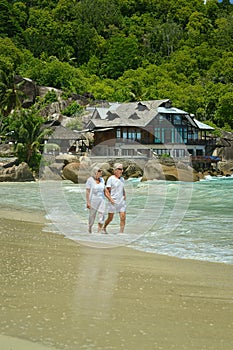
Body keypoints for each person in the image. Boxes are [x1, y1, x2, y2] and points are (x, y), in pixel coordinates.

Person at [102, 163, 126, 234]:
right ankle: (104, 228)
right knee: (110, 218)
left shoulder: (122, 179)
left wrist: (124, 194)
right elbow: (106, 191)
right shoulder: (111, 179)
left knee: (123, 217)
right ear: (115, 170)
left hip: (121, 201)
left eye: (122, 169)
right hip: (113, 201)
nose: (121, 171)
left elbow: (122, 188)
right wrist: (110, 199)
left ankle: (121, 233)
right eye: (119, 169)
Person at [86, 166, 105, 233]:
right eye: (99, 171)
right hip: (93, 200)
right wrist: (88, 202)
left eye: (101, 171)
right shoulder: (90, 180)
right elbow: (88, 191)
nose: (101, 172)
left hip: (102, 200)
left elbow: (104, 190)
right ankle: (90, 228)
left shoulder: (102, 180)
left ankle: (99, 231)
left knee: (102, 214)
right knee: (92, 216)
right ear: (95, 172)